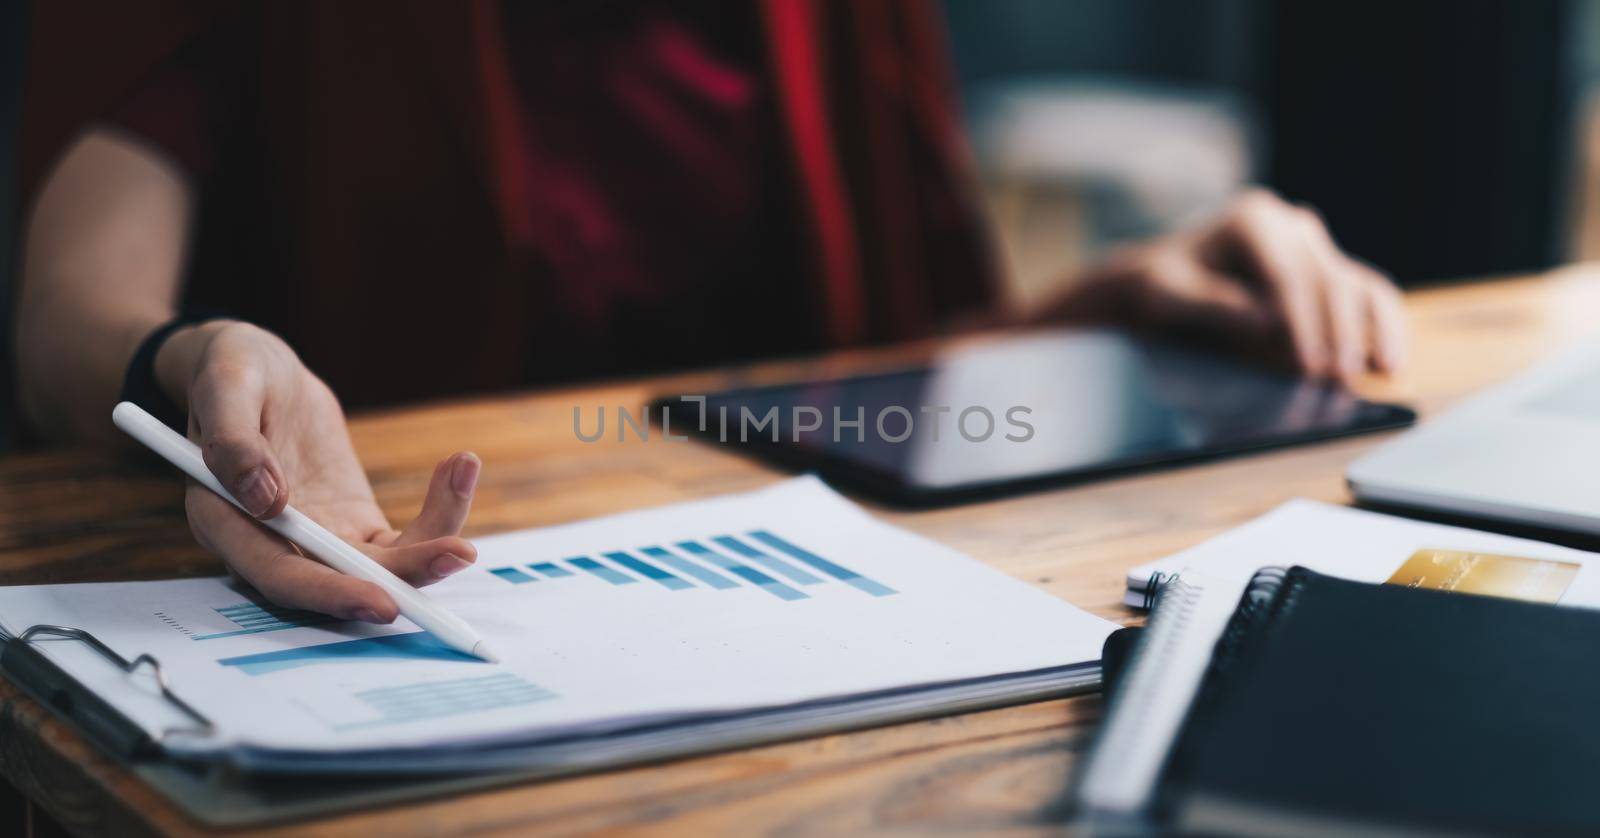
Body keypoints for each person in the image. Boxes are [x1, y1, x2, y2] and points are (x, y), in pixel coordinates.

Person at [13, 1, 1406, 624]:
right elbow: (67, 307)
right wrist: (199, 360)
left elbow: (885, 370)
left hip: (790, 646)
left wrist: (1122, 311)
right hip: (418, 610)